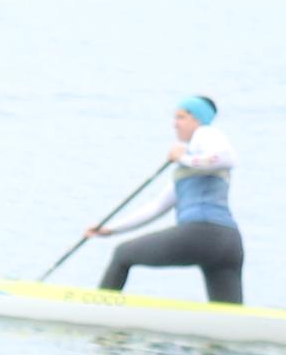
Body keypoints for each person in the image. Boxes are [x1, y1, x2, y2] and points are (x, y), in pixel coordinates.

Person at [93, 98, 242, 304]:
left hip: (201, 235)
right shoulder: (191, 168)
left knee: (122, 254)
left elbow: (228, 158)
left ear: (198, 120)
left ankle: (98, 308)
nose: (175, 123)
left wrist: (182, 158)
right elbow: (156, 207)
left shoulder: (205, 133)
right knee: (229, 318)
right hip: (229, 243)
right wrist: (111, 229)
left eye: (181, 117)